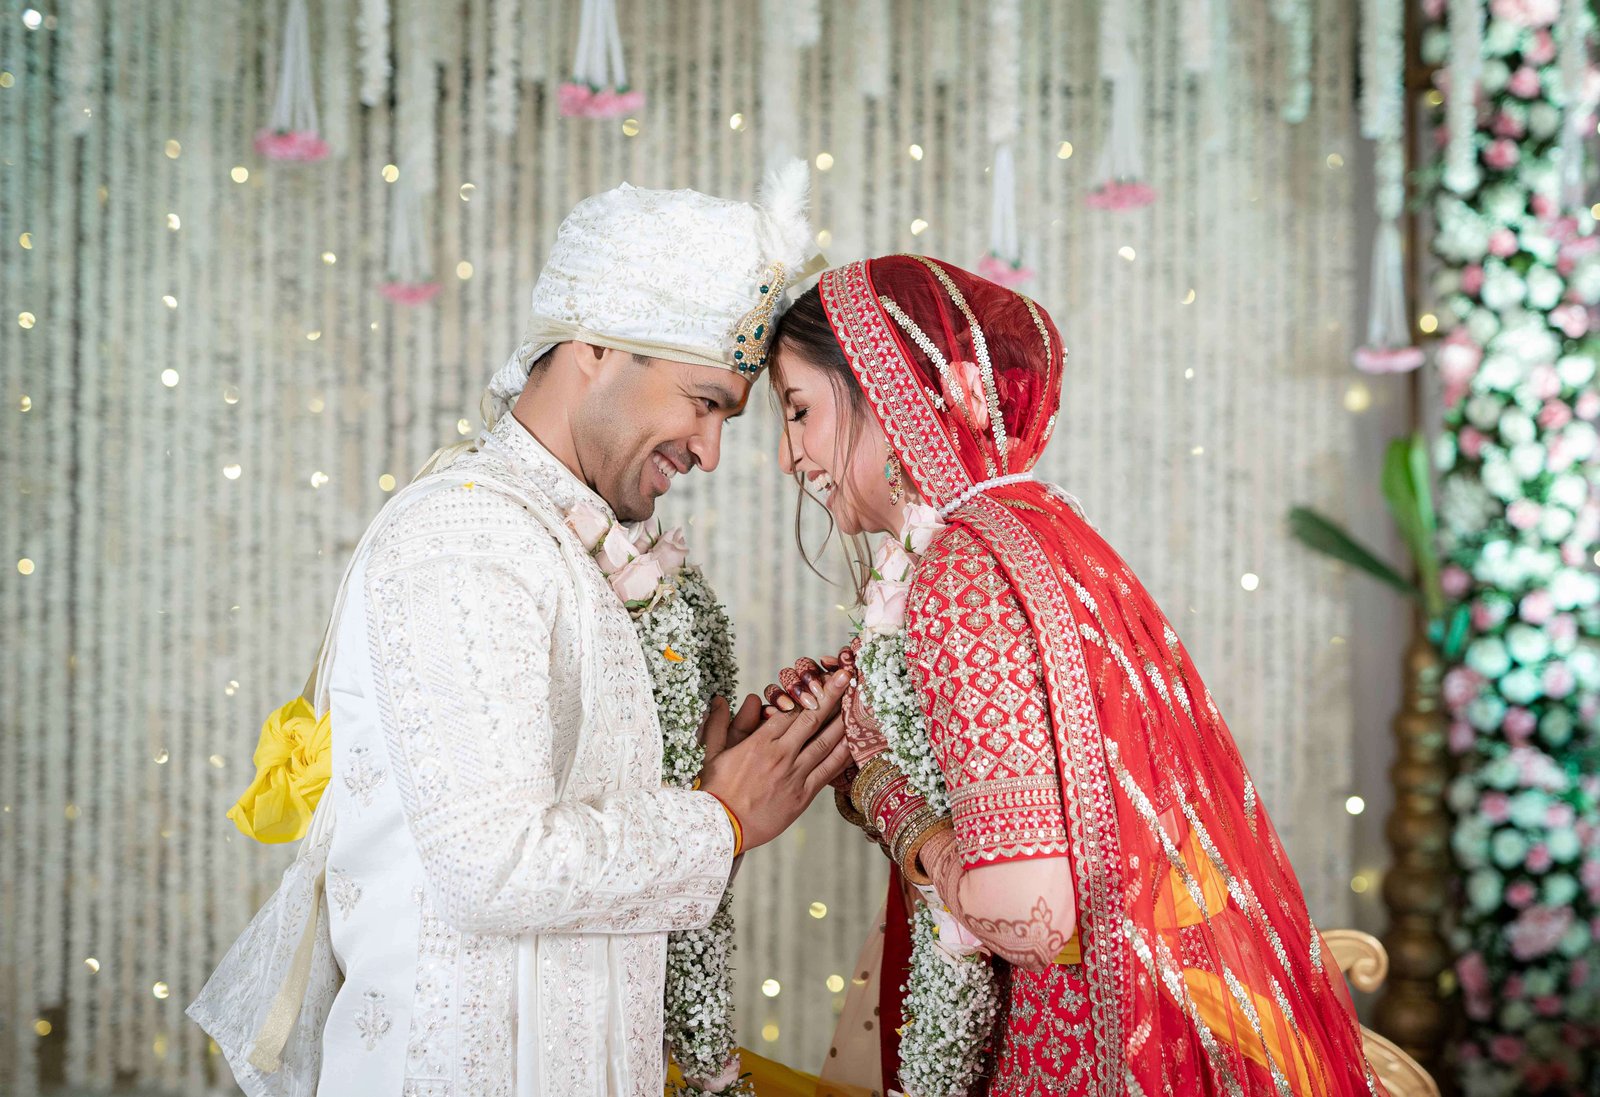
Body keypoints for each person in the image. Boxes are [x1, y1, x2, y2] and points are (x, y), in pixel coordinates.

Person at [189, 167, 853, 1097]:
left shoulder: (557, 536)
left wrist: (709, 786)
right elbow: (492, 866)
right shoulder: (466, 534)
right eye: (704, 403)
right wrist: (719, 817)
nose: (709, 451)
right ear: (593, 347)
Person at [766, 255, 1384, 1096]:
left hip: (1088, 1046)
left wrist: (881, 786)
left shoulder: (961, 573)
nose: (787, 455)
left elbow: (1028, 916)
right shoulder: (1036, 524)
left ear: (884, 388)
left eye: (799, 410)